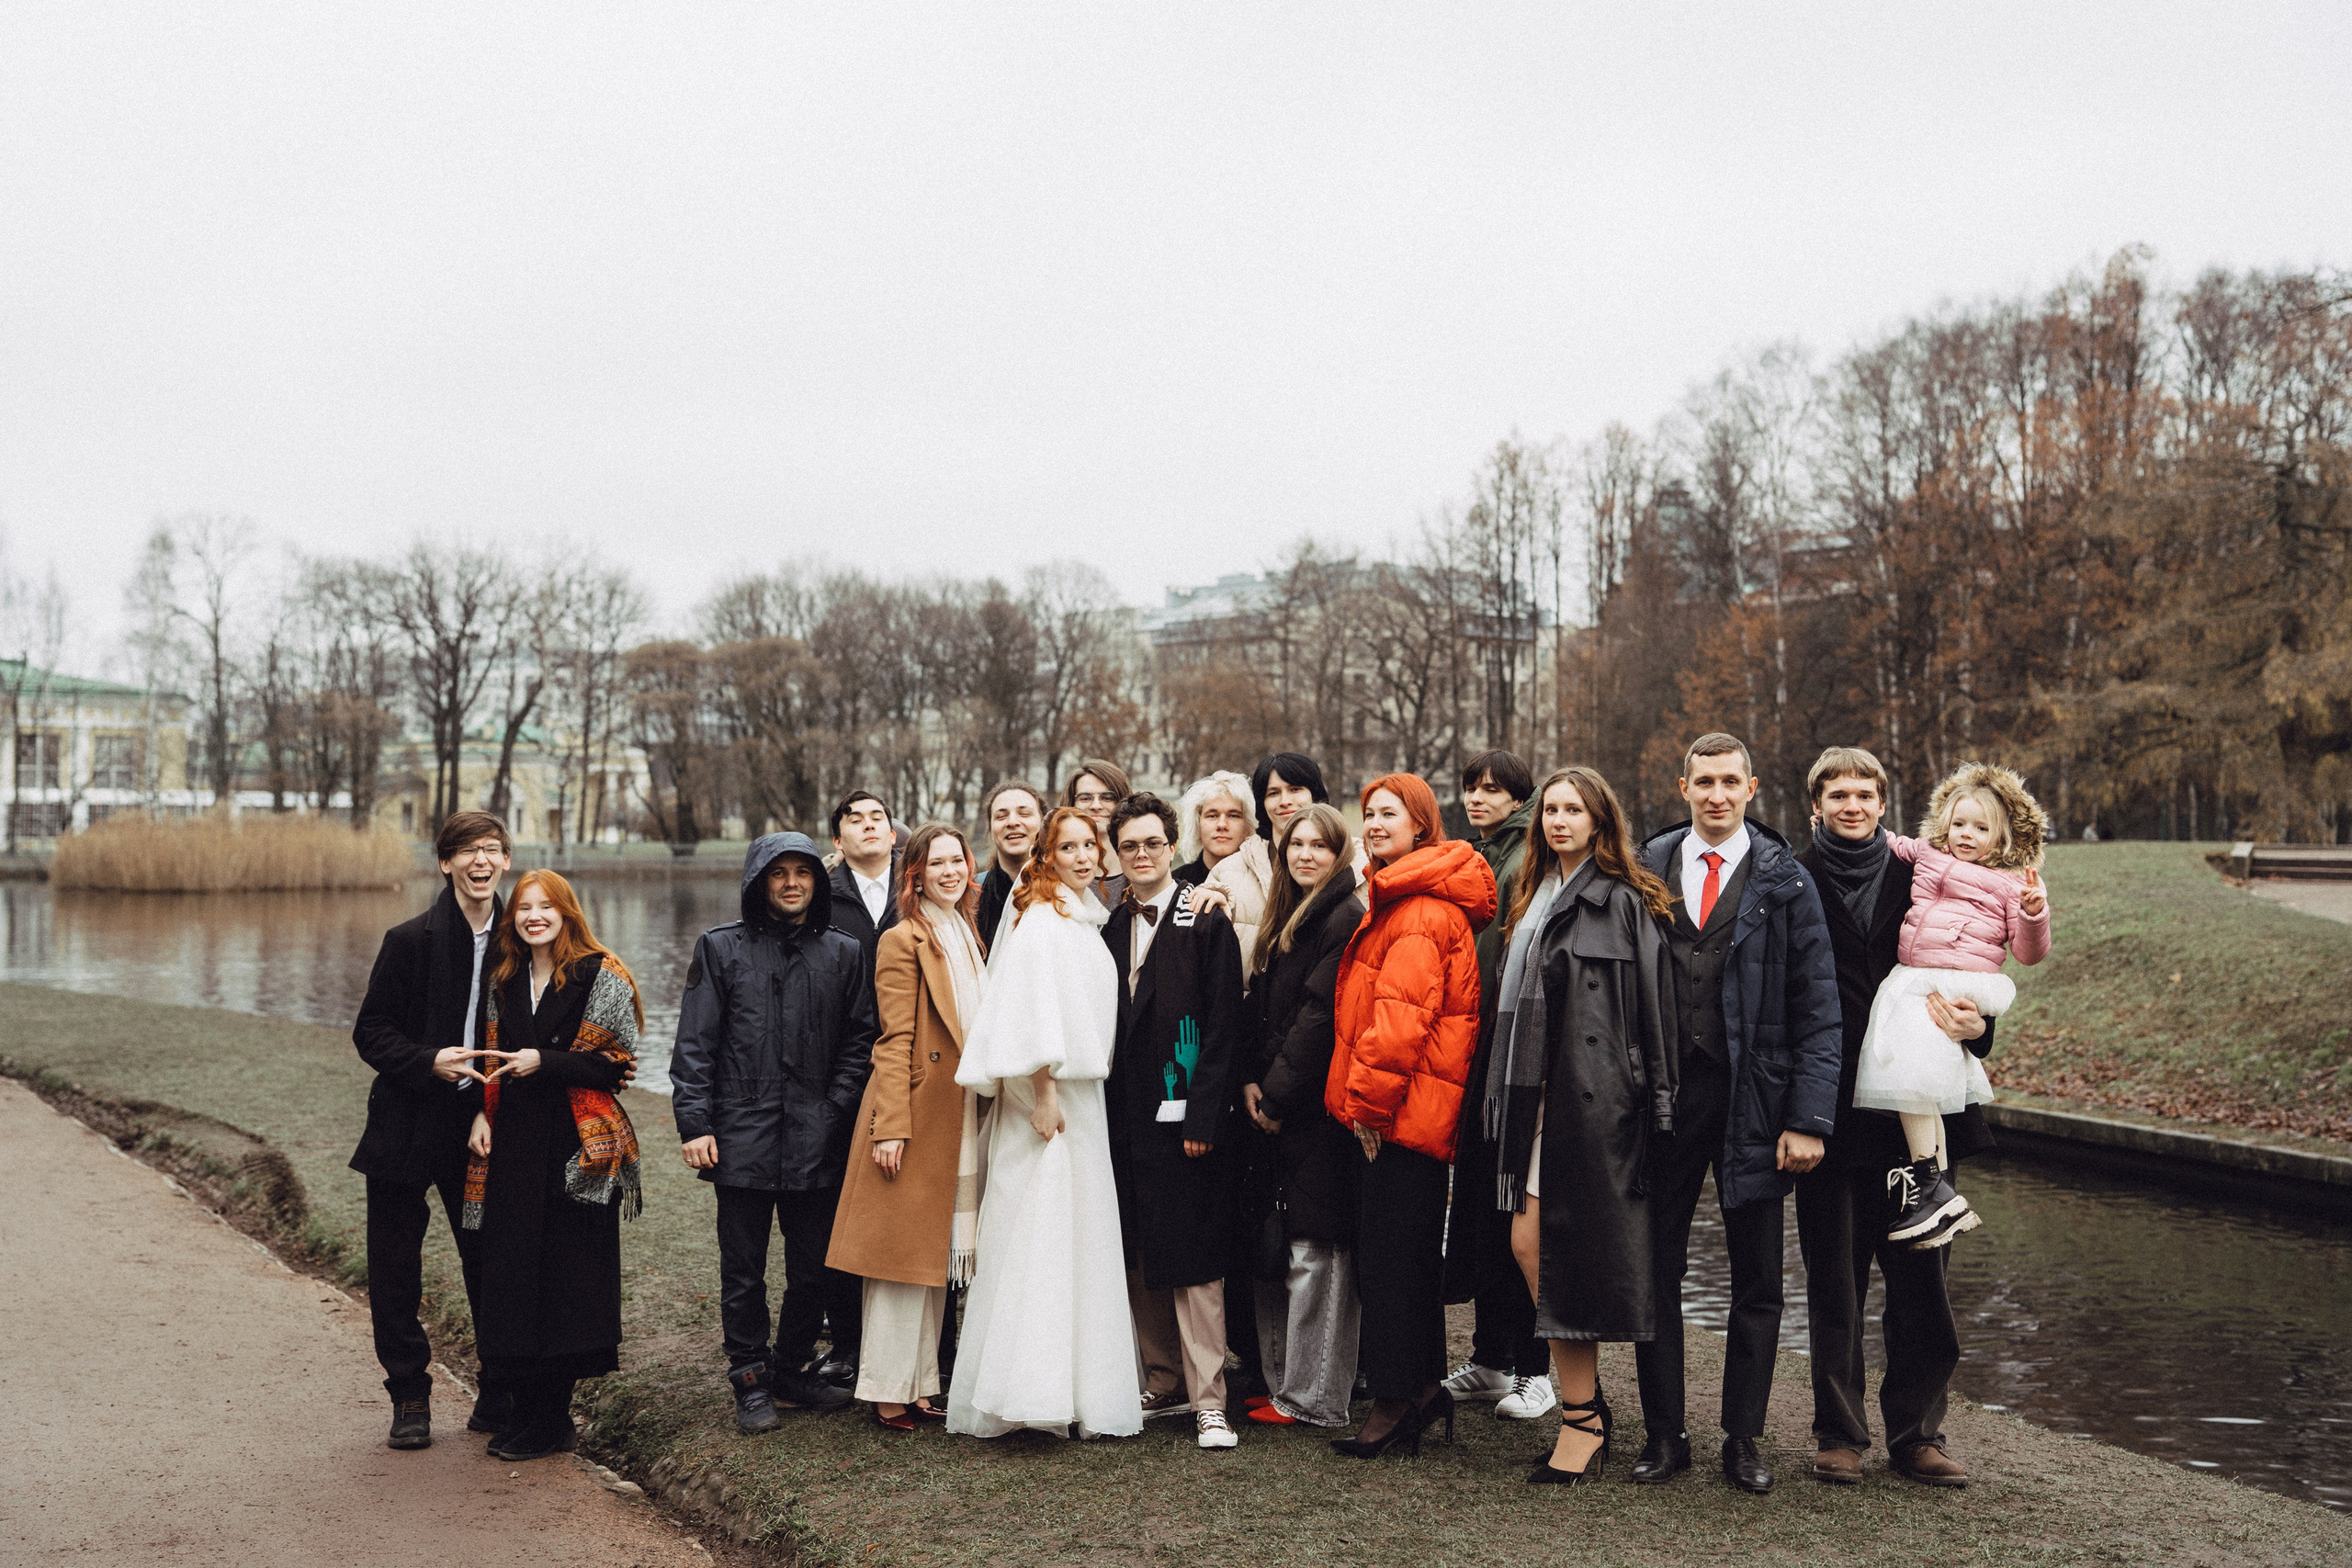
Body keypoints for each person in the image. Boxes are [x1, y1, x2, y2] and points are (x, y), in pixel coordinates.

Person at [1634, 733, 1842, 1495]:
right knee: (1655, 1267)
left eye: (1730, 781)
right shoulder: (1645, 870)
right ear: (1683, 786)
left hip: (1755, 1099)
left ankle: (1743, 1438)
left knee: (1757, 1276)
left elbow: (1819, 1007)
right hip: (1663, 1100)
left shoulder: (1786, 880)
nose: (1717, 795)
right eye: (1704, 782)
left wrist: (1808, 1118)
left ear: (1751, 787)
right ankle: (1664, 1432)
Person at [1796, 747, 1996, 1490]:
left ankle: (1917, 1433)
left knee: (1923, 1288)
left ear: (1884, 803)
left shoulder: (1926, 874)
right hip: (1831, 1114)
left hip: (1922, 1113)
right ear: (1816, 806)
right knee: (1835, 1286)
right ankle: (1840, 1433)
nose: (1852, 805)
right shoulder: (1792, 878)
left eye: (1865, 793)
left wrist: (1981, 1026)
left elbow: (1976, 960)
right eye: (1838, 794)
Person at [1482, 768, 1677, 1483]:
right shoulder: (1532, 893)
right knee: (1531, 1245)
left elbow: (1653, 1012)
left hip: (1593, 1105)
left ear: (1600, 820)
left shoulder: (1624, 900)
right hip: (1535, 1099)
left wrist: (1656, 1105)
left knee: (1542, 1247)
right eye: (1551, 809)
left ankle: (1582, 1418)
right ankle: (1584, 1411)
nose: (1559, 819)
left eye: (1574, 809)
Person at [672, 832, 877, 1433]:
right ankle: (750, 1378)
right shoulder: (721, 948)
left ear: (817, 881)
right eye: (779, 873)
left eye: (802, 872)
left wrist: (834, 1108)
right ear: (759, 881)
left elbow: (861, 1040)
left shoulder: (842, 952)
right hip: (741, 1135)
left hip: (817, 1138)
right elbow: (695, 1044)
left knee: (812, 1268)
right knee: (743, 1270)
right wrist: (695, 1123)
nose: (791, 883)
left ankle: (788, 1367)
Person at [946, 807, 1141, 1439]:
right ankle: (1030, 1389)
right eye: (1069, 847)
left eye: (1090, 846)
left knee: (1078, 1232)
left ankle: (1079, 1386)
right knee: (1041, 1229)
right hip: (1049, 1096)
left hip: (1082, 1095)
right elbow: (1032, 1012)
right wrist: (1045, 1094)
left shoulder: (1081, 914)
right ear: (1047, 855)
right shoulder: (1040, 921)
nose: (1083, 857)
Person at [1324, 773, 1496, 1461]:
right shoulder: (1404, 896)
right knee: (1409, 1258)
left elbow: (1399, 1024)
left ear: (1421, 825)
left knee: (1391, 1263)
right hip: (1411, 1114)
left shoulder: (1421, 909)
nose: (1373, 823)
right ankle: (1423, 1390)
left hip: (1398, 1117)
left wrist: (1367, 1107)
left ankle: (1396, 1401)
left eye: (1388, 814)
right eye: (1368, 813)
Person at [458, 870, 643, 1461]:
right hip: (512, 1139)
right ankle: (525, 1410)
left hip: (575, 1147)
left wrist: (547, 1060)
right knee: (515, 1275)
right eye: (523, 908)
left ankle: (552, 1419)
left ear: (567, 912)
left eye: (545, 907)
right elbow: (490, 1061)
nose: (533, 916)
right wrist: (482, 1112)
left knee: (567, 1281)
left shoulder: (601, 973)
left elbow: (616, 1067)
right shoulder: (505, 978)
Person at [350, 808, 513, 1450]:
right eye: (467, 850)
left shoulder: (522, 942)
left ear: (505, 861)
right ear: (445, 862)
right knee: (394, 1266)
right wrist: (428, 1061)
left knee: (491, 1259)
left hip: (478, 1125)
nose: (480, 860)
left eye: (492, 849)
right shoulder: (408, 940)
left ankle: (497, 1389)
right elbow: (371, 1031)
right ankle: (409, 1394)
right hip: (405, 1121)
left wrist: (488, 1104)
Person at [826, 825, 989, 1431]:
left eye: (957, 860)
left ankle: (921, 1384)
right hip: (917, 1110)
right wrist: (890, 1125)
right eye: (936, 863)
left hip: (961, 1108)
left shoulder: (967, 932)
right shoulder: (903, 938)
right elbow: (893, 1039)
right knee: (899, 1260)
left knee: (929, 1258)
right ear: (915, 874)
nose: (949, 871)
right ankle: (886, 1389)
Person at [1852, 762, 2051, 1247]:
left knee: (1910, 1079)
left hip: (1955, 980)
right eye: (1959, 823)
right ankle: (1938, 1192)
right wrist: (1859, 823)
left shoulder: (2010, 883)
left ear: (2001, 836)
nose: (1966, 835)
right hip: (1917, 976)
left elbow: (2028, 953)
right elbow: (1891, 842)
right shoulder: (1927, 854)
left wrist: (2034, 913)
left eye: (1981, 828)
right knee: (1924, 1082)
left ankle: (1929, 1181)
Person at [1102, 794, 1249, 1451]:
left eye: (1152, 843)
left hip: (1188, 1113)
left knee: (1196, 1259)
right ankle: (1163, 1378)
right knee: (1139, 1250)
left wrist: (1204, 1114)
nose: (1142, 855)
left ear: (1171, 846)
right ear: (1117, 854)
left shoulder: (1205, 918)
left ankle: (1209, 1399)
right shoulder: (1109, 925)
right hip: (1125, 1117)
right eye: (1129, 845)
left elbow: (1224, 1026)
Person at [1238, 803, 1364, 1429]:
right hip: (1278, 1101)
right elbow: (1265, 1011)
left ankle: (1316, 1397)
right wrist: (1251, 1081)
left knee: (1320, 1251)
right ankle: (1287, 1384)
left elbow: (1320, 1017)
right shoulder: (1289, 914)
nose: (1305, 854)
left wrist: (1277, 1096)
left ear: (1340, 854)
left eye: (1320, 845)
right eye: (1296, 844)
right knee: (1285, 1246)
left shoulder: (1343, 916)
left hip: (1315, 1110)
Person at [1441, 748, 1554, 1423]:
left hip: (1508, 1047)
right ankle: (1491, 1358)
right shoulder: (1483, 854)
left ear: (1519, 798)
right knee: (1484, 1209)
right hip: (1478, 1047)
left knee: (1518, 1215)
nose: (1478, 798)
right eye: (1471, 788)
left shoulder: (1524, 857)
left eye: (1492, 789)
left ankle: (1536, 1367)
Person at [1201, 751, 1361, 961]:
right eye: (1273, 793)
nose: (1284, 801)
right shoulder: (1227, 872)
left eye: (1295, 789)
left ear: (1315, 794)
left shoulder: (1362, 862)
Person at [828, 789, 901, 965]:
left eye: (876, 818)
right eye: (856, 821)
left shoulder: (920, 887)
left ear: (892, 836)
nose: (869, 825)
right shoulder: (823, 899)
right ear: (838, 842)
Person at [975, 780, 1045, 949]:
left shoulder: (1066, 892)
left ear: (1044, 824)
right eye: (1001, 816)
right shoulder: (970, 895)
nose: (1012, 822)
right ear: (990, 829)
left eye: (1024, 814)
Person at [1062, 759, 1134, 907]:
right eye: (1085, 798)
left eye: (1107, 798)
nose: (1096, 806)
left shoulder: (1141, 865)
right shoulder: (1055, 871)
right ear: (1071, 804)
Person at [1173, 770, 1256, 886]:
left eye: (1233, 816)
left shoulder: (1264, 883)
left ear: (1249, 826)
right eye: (1212, 816)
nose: (1222, 825)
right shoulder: (1175, 885)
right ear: (1197, 824)